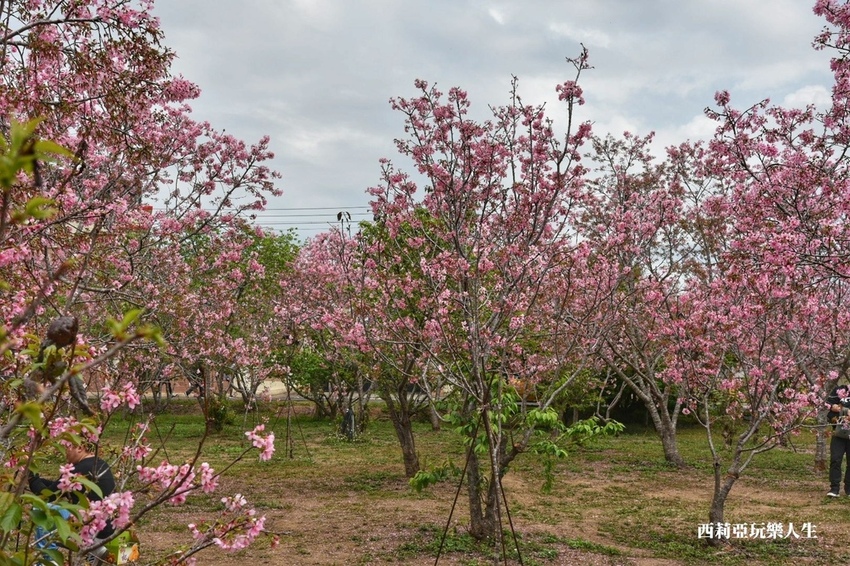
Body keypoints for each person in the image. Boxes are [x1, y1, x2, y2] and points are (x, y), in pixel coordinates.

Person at [29, 441, 116, 539]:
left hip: (91, 526)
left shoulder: (76, 470)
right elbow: (57, 488)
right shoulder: (99, 463)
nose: (65, 451)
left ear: (79, 448)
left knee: (41, 509)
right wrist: (39, 480)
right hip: (108, 525)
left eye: (68, 447)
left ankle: (48, 552)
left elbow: (47, 496)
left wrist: (30, 475)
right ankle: (97, 549)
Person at [826, 384, 850, 497]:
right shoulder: (840, 390)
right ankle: (834, 488)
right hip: (838, 433)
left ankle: (849, 488)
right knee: (835, 459)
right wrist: (834, 407)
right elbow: (828, 405)